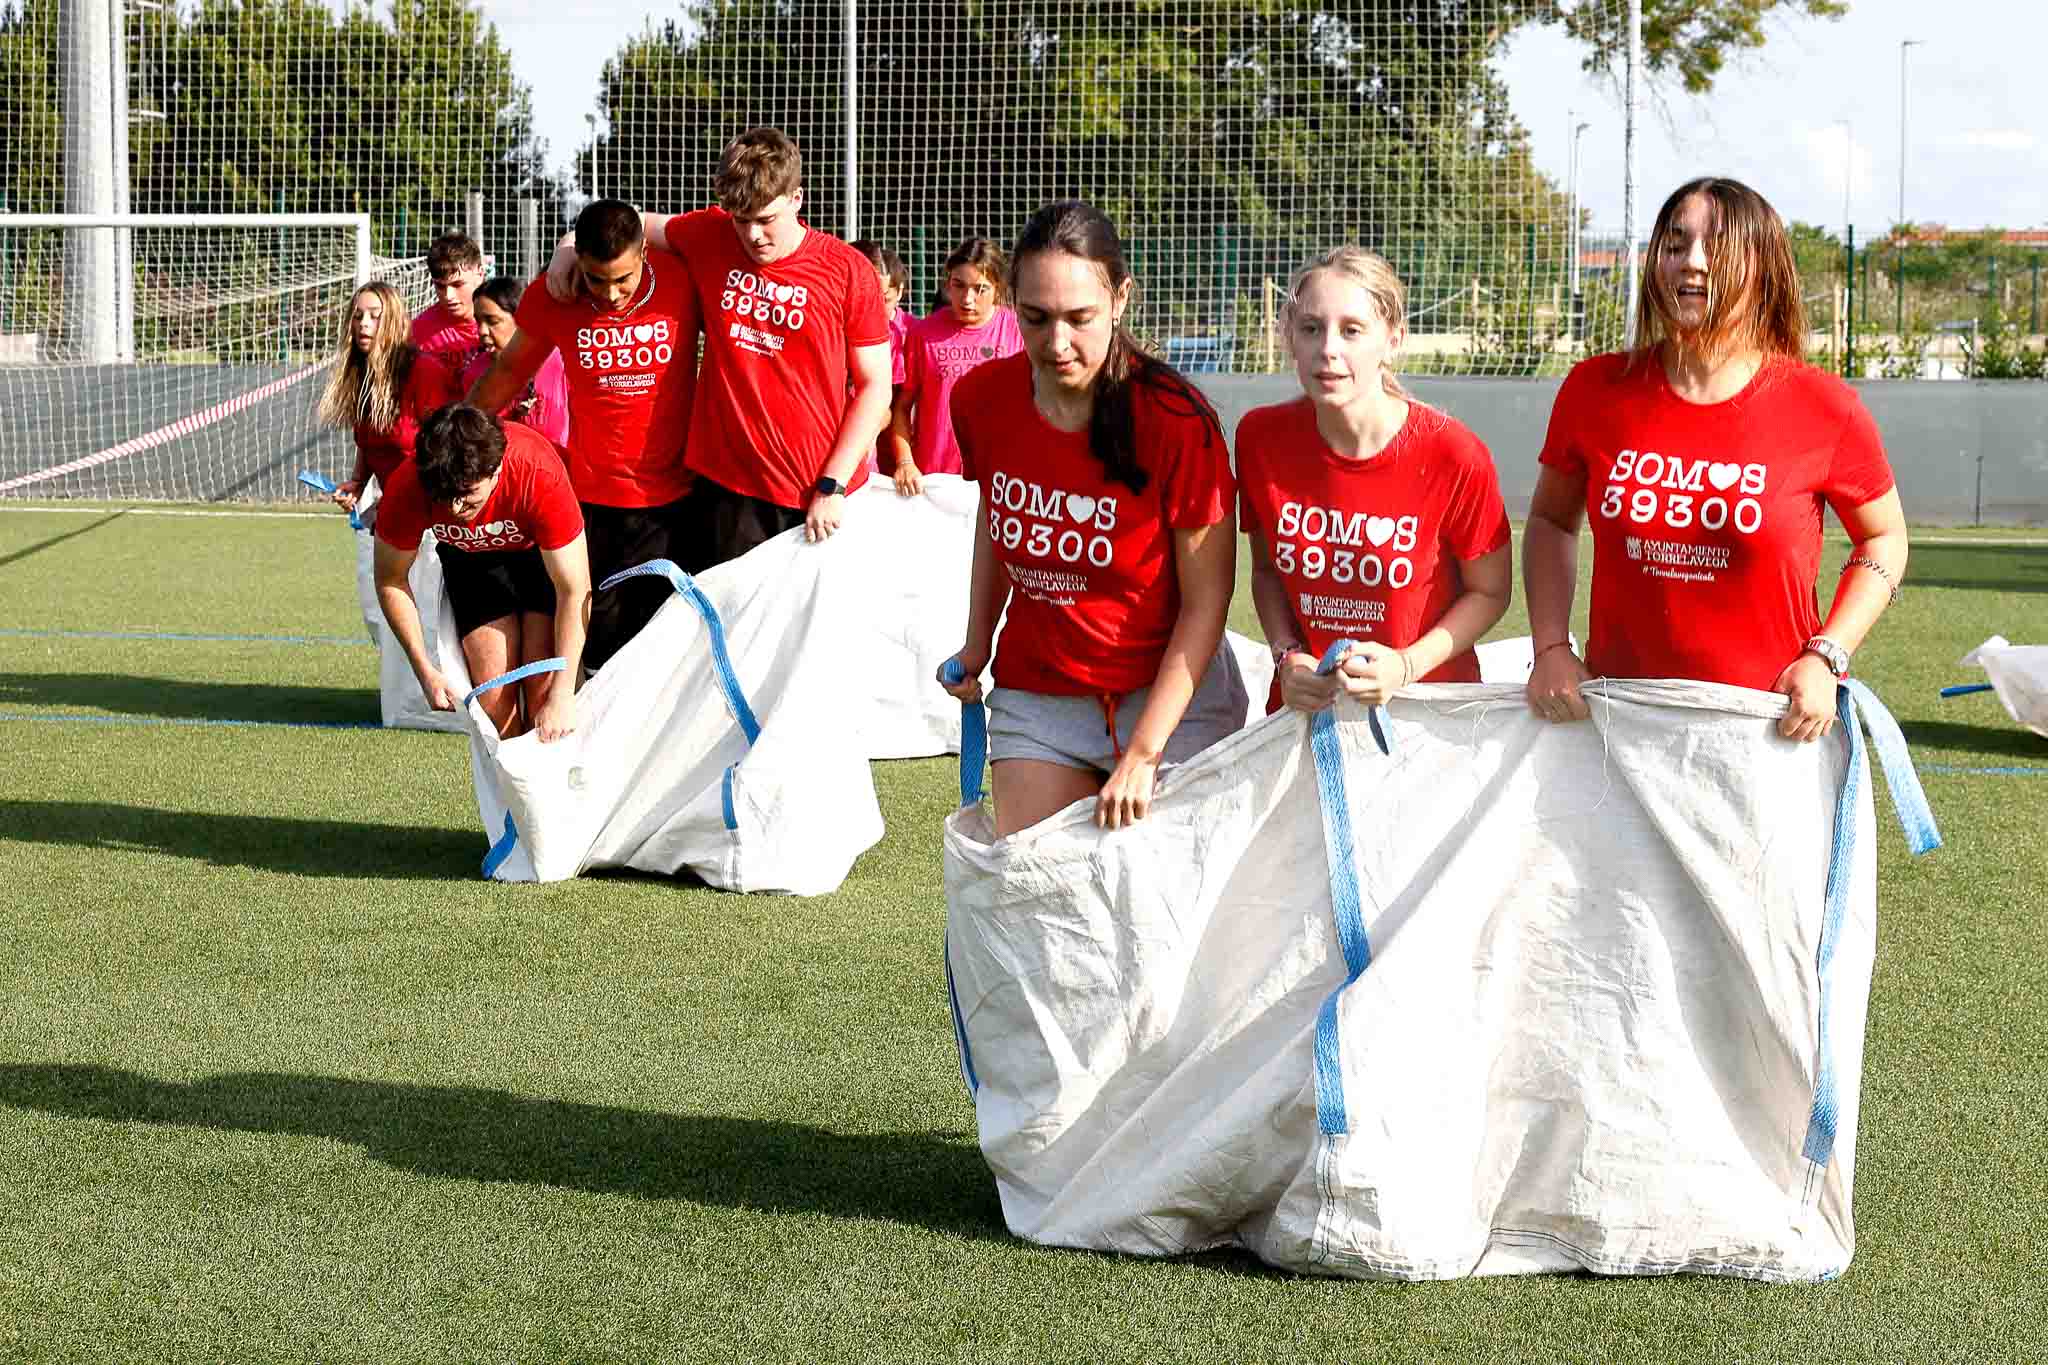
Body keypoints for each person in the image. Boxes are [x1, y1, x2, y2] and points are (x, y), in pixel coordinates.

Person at [1525, 176, 1907, 741]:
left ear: (1763, 268)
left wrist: (1828, 655)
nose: (1691, 264)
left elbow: (1885, 539)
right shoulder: (1594, 389)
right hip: (1620, 721)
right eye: (1675, 245)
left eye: (1717, 247)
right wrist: (1551, 647)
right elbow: (1552, 521)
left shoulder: (1825, 407)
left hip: (1766, 728)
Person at [936, 199, 1243, 837]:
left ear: (1120, 298)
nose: (1058, 343)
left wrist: (1144, 753)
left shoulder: (1177, 421)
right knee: (1041, 891)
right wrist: (976, 641)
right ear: (1011, 303)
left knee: (1157, 910)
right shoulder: (980, 400)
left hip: (1169, 702)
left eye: (1081, 319)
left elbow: (1207, 603)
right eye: (1036, 318)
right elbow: (997, 523)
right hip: (1041, 695)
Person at [555, 128, 892, 564]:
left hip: (818, 495)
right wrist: (567, 248)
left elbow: (874, 386)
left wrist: (833, 484)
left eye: (766, 219)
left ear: (797, 199)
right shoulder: (709, 234)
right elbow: (628, 222)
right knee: (726, 627)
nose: (752, 235)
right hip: (727, 490)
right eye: (740, 219)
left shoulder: (848, 270)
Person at [1237, 246, 1511, 713]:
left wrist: (1404, 666)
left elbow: (1491, 592)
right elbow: (1266, 572)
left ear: (1393, 339)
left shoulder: (1454, 454)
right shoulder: (1260, 439)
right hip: (1309, 714)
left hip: (1428, 719)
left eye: (1351, 330)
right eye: (1311, 329)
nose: (1328, 349)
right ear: (1290, 337)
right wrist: (1287, 656)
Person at [471, 200, 701, 672]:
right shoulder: (558, 293)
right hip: (594, 501)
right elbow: (511, 370)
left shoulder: (684, 276)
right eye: (598, 280)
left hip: (679, 500)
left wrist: (566, 245)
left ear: (643, 254)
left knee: (670, 651)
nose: (612, 294)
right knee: (597, 648)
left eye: (624, 279)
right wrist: (458, 429)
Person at [373, 405, 589, 742]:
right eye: (445, 497)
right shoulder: (410, 485)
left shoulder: (537, 472)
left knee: (545, 696)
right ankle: (507, 790)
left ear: (497, 470)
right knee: (494, 703)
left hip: (539, 559)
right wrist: (424, 669)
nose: (456, 510)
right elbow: (390, 579)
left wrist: (562, 695)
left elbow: (575, 591)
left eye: (467, 494)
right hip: (471, 564)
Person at [888, 236, 1025, 497]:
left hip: (999, 481)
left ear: (998, 287)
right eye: (958, 286)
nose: (967, 299)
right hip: (934, 484)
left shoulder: (1018, 330)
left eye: (980, 288)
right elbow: (902, 407)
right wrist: (905, 463)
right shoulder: (924, 334)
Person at [314, 281, 462, 516]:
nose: (363, 323)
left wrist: (405, 497)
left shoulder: (424, 370)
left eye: (375, 316)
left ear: (394, 322)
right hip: (396, 506)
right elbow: (371, 442)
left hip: (433, 511)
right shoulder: (361, 375)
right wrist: (358, 483)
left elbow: (443, 451)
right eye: (357, 316)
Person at [465, 275, 571, 447]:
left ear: (522, 319)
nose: (482, 331)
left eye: (492, 321)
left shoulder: (558, 361)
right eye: (478, 321)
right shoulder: (475, 374)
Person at [849, 239, 911, 479]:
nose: (874, 307)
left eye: (884, 298)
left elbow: (892, 403)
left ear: (900, 291)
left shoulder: (908, 333)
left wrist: (869, 433)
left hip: (879, 455)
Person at [412, 232, 487, 374]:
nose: (448, 296)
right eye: (440, 286)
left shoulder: (505, 321)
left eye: (457, 284)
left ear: (480, 275)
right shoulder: (418, 332)